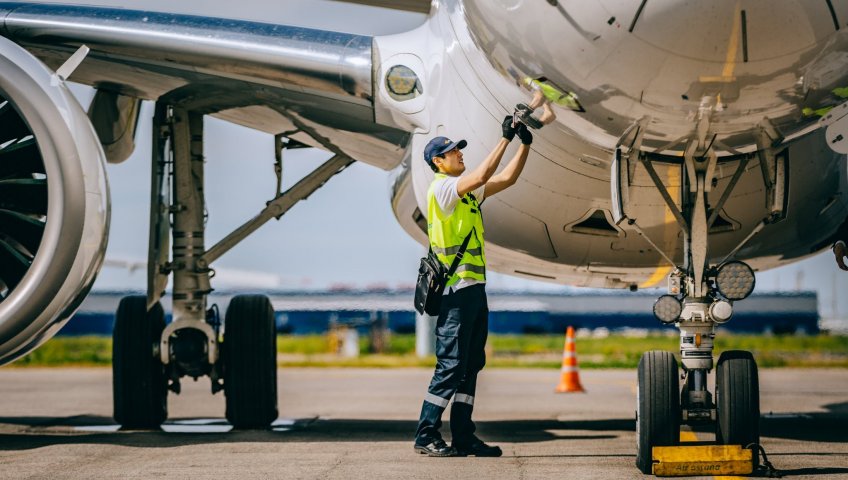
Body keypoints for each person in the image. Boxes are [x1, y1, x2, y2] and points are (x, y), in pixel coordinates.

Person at [413, 116, 533, 457]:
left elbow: (506, 178)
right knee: (451, 365)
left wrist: (525, 144)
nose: (459, 155)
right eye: (452, 152)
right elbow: (480, 176)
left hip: (473, 291)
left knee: (470, 365)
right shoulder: (443, 189)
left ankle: (463, 435)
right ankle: (425, 434)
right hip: (455, 292)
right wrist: (505, 139)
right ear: (438, 161)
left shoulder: (464, 196)